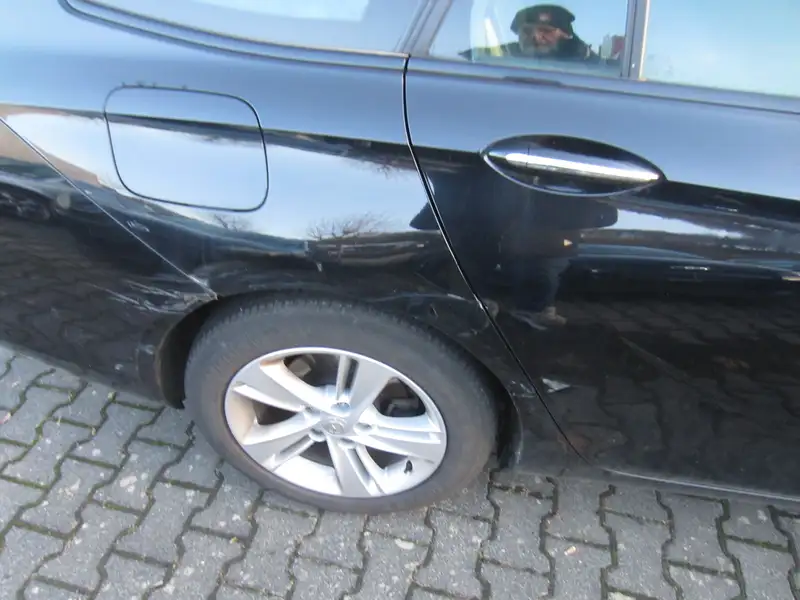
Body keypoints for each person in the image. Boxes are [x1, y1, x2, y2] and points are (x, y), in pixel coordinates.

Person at [507, 4, 599, 62]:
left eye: (546, 31)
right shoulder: (502, 59)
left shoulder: (591, 66)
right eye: (527, 31)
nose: (537, 36)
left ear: (565, 35)